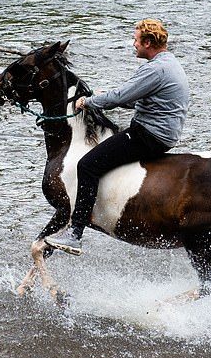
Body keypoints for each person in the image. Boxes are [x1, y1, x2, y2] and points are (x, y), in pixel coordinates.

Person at [44, 19, 190, 255]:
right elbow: (136, 98)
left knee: (88, 165)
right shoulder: (168, 62)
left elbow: (119, 98)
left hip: (148, 135)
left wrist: (88, 102)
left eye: (136, 40)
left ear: (148, 42)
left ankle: (75, 234)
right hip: (163, 132)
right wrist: (107, 97)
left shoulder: (154, 69)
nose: (133, 44)